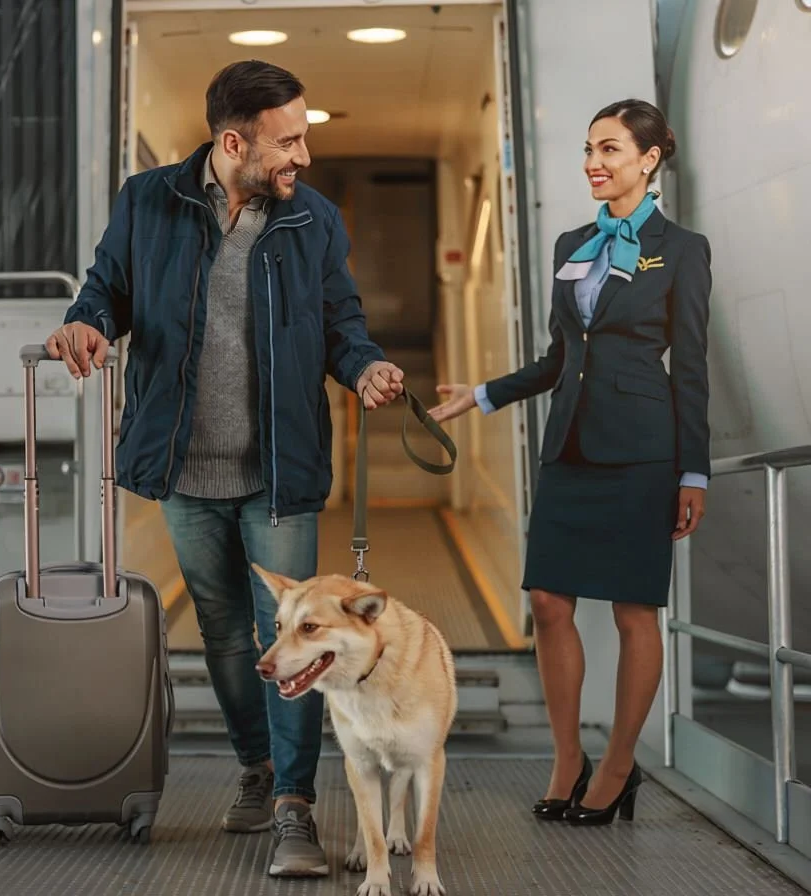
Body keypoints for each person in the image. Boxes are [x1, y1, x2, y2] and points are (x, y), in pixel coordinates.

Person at [46, 60, 404, 877]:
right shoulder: (149, 201)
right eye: (288, 142)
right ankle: (256, 767)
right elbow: (108, 289)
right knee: (222, 633)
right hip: (183, 467)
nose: (303, 157)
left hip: (279, 469)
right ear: (234, 142)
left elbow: (342, 322)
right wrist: (86, 324)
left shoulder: (312, 219)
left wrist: (367, 367)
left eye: (304, 139)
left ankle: (293, 809)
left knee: (299, 640)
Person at [430, 98, 711, 826]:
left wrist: (694, 471)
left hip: (643, 451)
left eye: (611, 149)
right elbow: (563, 359)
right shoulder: (570, 244)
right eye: (590, 147)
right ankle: (567, 756)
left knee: (633, 611)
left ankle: (618, 764)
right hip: (570, 448)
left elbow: (692, 370)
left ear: (648, 161)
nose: (594, 161)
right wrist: (484, 394)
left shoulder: (681, 249)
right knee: (550, 603)